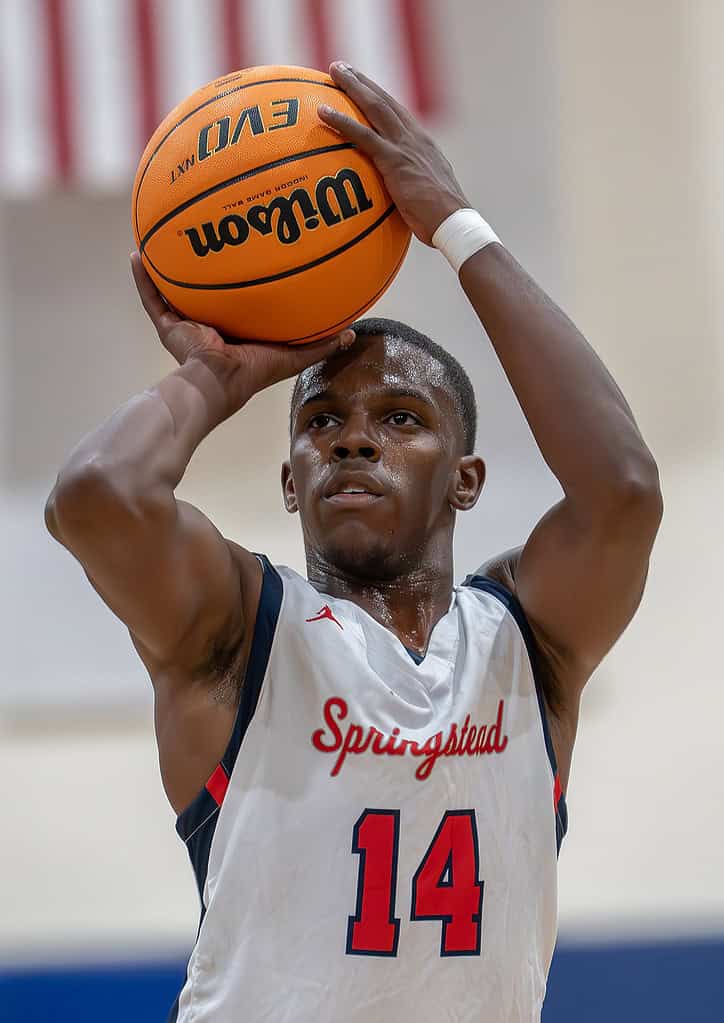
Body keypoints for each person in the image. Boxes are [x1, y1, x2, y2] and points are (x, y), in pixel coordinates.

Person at [45, 63, 663, 1022]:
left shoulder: (526, 647)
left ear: (466, 477)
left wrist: (457, 226)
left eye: (403, 417)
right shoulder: (242, 633)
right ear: (291, 479)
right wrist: (214, 377)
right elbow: (95, 496)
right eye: (323, 419)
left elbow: (622, 489)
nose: (356, 436)